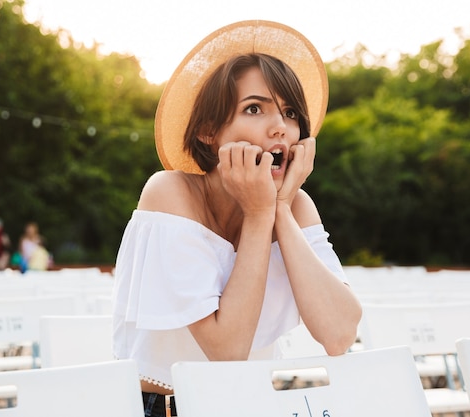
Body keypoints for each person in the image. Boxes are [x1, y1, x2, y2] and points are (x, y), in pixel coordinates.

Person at [112, 21, 362, 417]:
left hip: (251, 404)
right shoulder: (169, 192)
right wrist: (261, 213)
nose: (280, 126)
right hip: (161, 408)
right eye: (254, 108)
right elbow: (226, 352)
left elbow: (339, 334)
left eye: (290, 112)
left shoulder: (295, 207)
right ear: (210, 131)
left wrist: (279, 208)